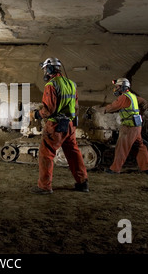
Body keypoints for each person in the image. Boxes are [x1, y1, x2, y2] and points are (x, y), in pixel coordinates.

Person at [30, 57, 89, 194]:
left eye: (45, 69)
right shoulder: (71, 84)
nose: (44, 72)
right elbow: (76, 106)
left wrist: (36, 115)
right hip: (69, 125)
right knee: (74, 153)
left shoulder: (51, 85)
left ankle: (44, 187)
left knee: (46, 154)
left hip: (55, 126)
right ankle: (83, 183)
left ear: (49, 69)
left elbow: (48, 110)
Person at [101, 78, 148, 175]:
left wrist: (102, 109)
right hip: (137, 126)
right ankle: (147, 169)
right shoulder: (133, 96)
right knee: (139, 147)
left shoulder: (123, 97)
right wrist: (141, 112)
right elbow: (144, 102)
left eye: (117, 87)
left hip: (129, 127)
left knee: (121, 147)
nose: (116, 89)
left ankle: (115, 169)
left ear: (123, 87)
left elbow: (112, 107)